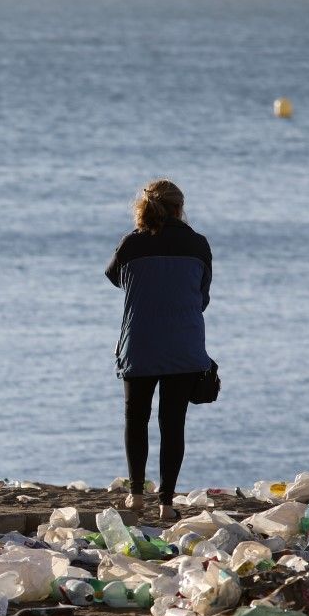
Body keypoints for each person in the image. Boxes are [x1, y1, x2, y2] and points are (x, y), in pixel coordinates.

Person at [104, 180, 213, 521]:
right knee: (173, 422)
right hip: (183, 343)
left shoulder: (132, 243)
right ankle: (166, 503)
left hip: (140, 342)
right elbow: (203, 296)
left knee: (136, 418)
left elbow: (113, 277)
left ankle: (136, 495)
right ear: (181, 207)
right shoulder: (198, 244)